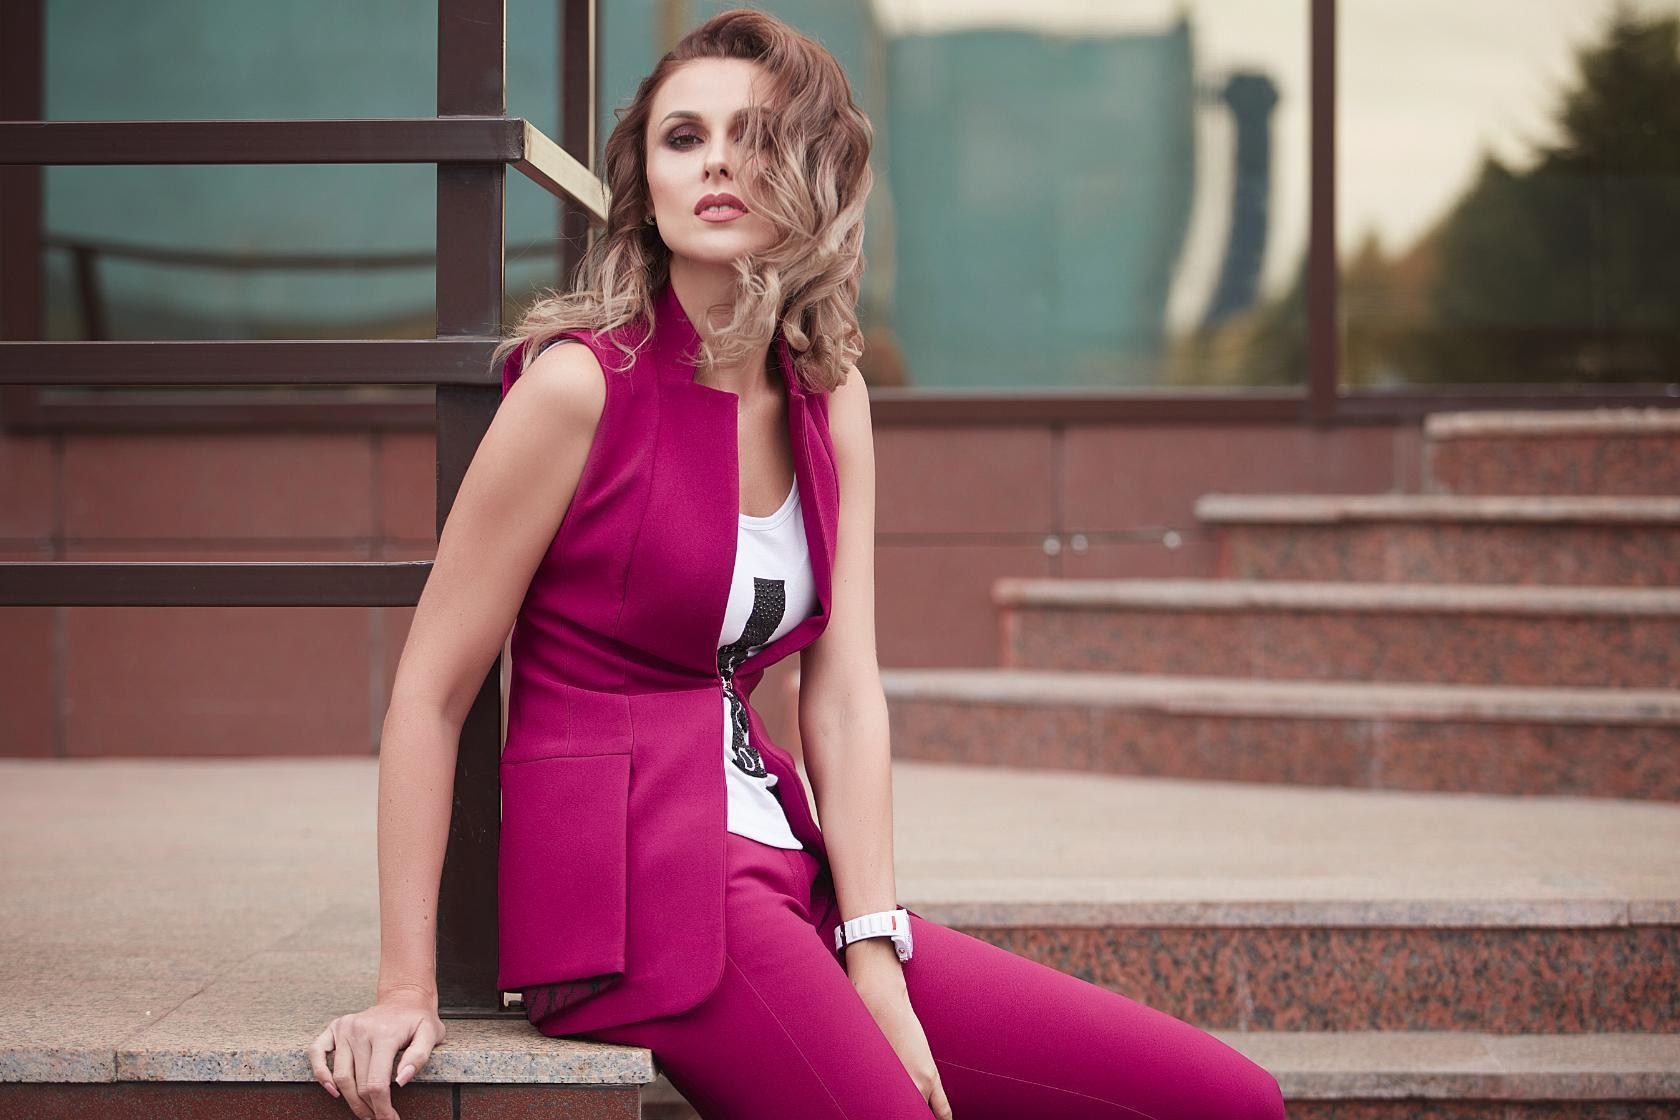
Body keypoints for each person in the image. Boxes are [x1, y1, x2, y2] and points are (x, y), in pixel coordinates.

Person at [308, 9, 1288, 1120]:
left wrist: (874, 943)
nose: (718, 160)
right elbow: (432, 692)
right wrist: (404, 986)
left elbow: (846, 692)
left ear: (811, 174)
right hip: (641, 898)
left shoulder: (833, 399)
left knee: (1225, 1100)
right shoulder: (581, 387)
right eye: (684, 138)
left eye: (756, 137)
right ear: (648, 181)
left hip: (787, 870)